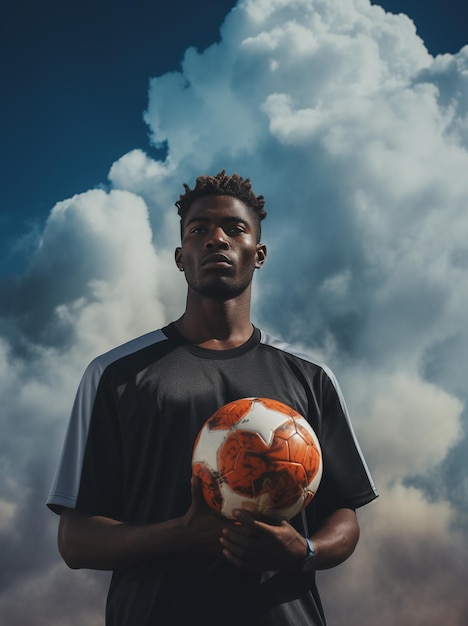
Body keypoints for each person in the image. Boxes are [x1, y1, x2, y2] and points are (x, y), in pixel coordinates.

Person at [47, 171, 378, 626]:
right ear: (181, 257)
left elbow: (345, 516)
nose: (216, 239)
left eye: (234, 229)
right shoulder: (115, 375)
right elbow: (76, 541)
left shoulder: (311, 376)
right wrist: (181, 534)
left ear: (258, 255)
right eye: (199, 230)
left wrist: (304, 550)